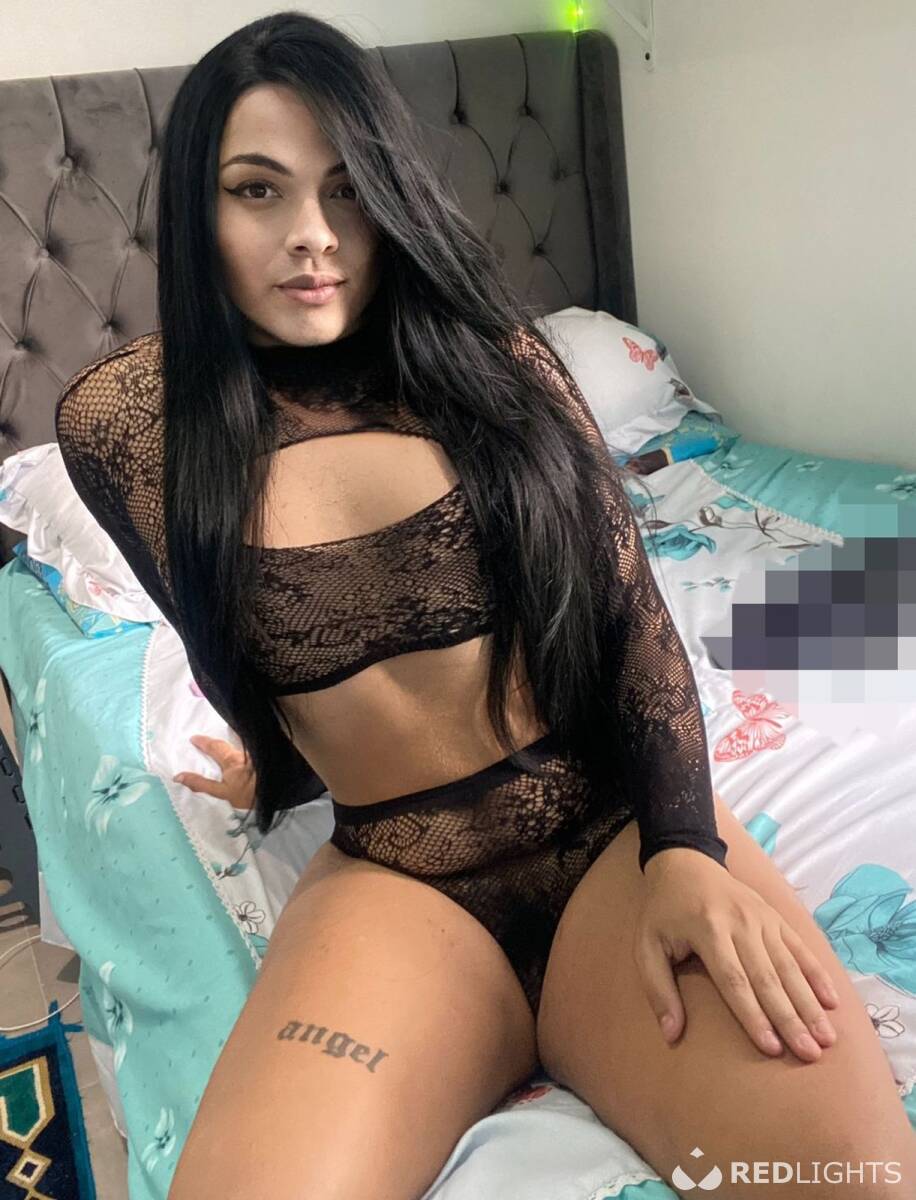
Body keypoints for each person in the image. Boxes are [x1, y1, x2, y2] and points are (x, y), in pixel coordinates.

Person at [54, 12, 914, 1199]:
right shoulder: (126, 427)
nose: (312, 237)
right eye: (257, 190)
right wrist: (272, 767)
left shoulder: (499, 364)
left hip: (612, 832)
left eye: (347, 190)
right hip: (400, 879)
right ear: (197, 210)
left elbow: (631, 622)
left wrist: (684, 850)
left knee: (860, 1185)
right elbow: (220, 631)